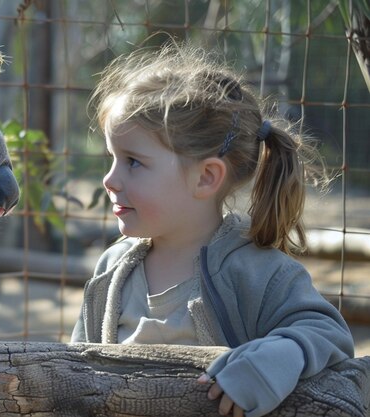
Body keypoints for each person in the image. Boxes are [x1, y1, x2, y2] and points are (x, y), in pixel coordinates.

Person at [71, 42, 354, 417]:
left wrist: (272, 361)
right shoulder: (112, 268)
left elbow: (329, 333)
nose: (110, 179)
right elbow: (74, 368)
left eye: (133, 162)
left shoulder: (259, 271)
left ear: (206, 177)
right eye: (112, 158)